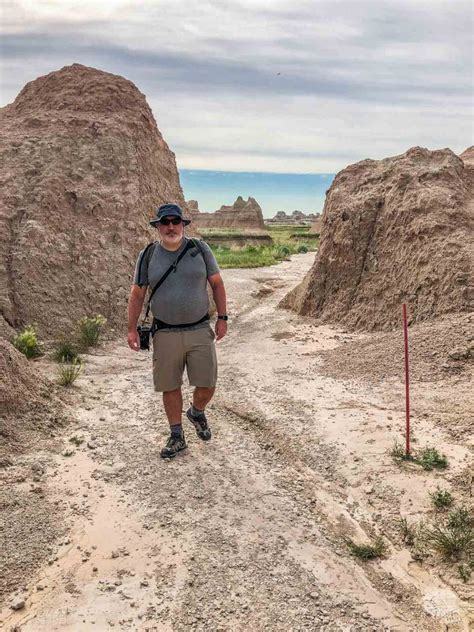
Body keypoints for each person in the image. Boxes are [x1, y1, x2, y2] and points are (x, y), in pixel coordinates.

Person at [127, 203, 228, 459]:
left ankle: (196, 411)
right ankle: (176, 436)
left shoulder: (199, 249)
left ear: (183, 224)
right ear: (158, 227)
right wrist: (131, 329)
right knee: (169, 386)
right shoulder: (148, 255)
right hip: (165, 332)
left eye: (175, 221)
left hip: (199, 329)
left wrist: (223, 317)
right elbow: (137, 293)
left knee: (207, 384)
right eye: (165, 222)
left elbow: (216, 283)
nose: (170, 226)